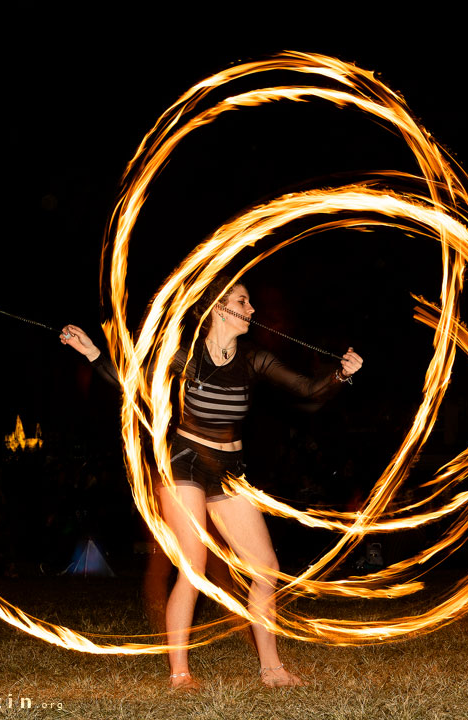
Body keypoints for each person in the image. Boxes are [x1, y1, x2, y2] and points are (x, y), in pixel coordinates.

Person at [60, 278, 363, 689]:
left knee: (266, 568)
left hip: (228, 469)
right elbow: (132, 380)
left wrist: (341, 376)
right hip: (184, 463)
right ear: (220, 310)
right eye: (244, 301)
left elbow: (309, 392)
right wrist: (93, 352)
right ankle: (179, 673)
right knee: (194, 566)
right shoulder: (188, 357)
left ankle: (272, 669)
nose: (252, 309)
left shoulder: (254, 359)